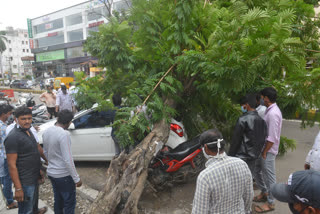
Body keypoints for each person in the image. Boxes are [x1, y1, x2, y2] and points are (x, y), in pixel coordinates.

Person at [192, 129, 253, 214]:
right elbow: (249, 195)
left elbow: (200, 211)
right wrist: (246, 211)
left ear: (205, 147)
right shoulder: (242, 164)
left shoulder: (205, 177)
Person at [6, 110, 48, 214]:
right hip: (25, 181)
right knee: (26, 210)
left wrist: (39, 170)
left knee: (33, 204)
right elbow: (11, 165)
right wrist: (18, 188)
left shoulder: (28, 131)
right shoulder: (13, 137)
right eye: (23, 119)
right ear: (16, 120)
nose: (27, 121)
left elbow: (35, 150)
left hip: (33, 176)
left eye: (29, 118)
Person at [43, 110, 82, 214]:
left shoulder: (47, 131)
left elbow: (45, 152)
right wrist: (76, 178)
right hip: (63, 175)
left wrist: (52, 164)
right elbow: (68, 159)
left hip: (51, 173)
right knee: (69, 203)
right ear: (69, 122)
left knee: (58, 200)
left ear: (57, 119)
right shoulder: (64, 134)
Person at [254, 87, 283, 213]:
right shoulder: (269, 111)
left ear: (266, 98)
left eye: (262, 97)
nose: (261, 99)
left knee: (269, 177)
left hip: (268, 150)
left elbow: (272, 137)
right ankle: (265, 193)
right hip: (263, 148)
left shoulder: (273, 114)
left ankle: (271, 203)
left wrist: (265, 152)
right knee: (257, 170)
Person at [229, 93, 268, 176]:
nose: (242, 107)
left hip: (241, 156)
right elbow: (263, 139)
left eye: (242, 105)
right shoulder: (262, 121)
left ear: (247, 105)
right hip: (254, 157)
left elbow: (236, 141)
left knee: (238, 180)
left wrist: (229, 156)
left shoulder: (243, 119)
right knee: (248, 179)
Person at [0, 104, 18, 210]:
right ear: (3, 114)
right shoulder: (3, 128)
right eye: (9, 113)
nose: (10, 115)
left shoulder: (3, 125)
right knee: (7, 179)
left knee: (4, 178)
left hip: (2, 155)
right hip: (4, 156)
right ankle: (10, 201)